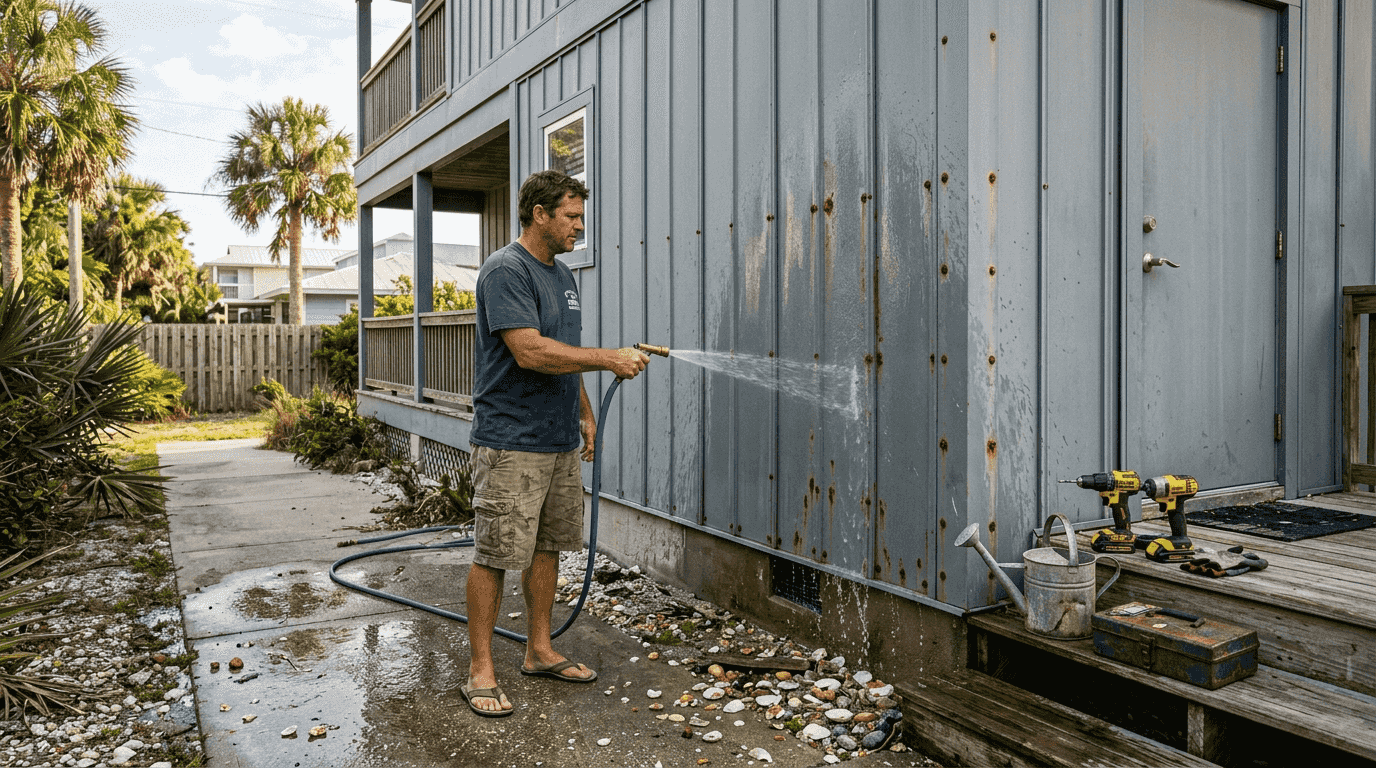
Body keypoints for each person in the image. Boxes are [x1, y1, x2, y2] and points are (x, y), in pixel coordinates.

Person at [461, 169, 650, 717]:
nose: (579, 226)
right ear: (539, 214)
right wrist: (610, 357)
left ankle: (539, 650)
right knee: (496, 552)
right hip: (511, 440)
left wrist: (585, 414)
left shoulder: (563, 275)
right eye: (571, 216)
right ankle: (480, 669)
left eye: (580, 216)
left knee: (547, 547)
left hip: (558, 438)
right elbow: (531, 351)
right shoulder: (505, 271)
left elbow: (565, 350)